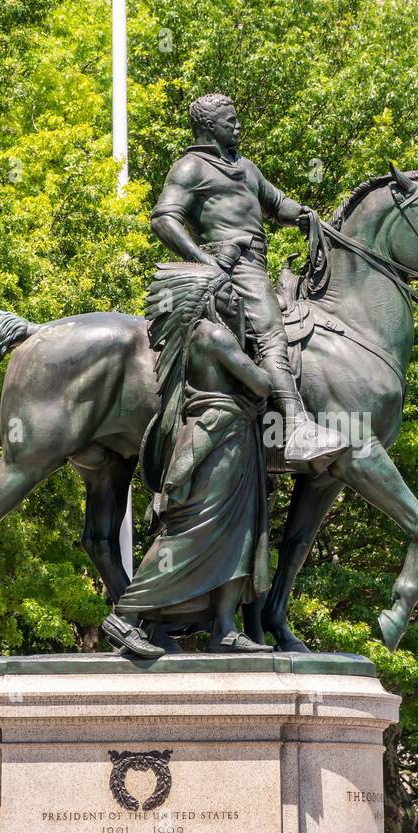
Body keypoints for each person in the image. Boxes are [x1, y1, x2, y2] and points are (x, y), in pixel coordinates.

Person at [150, 92, 347, 469]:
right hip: (233, 261)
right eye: (231, 120)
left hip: (256, 261)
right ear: (209, 126)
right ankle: (297, 427)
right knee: (272, 333)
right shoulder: (190, 167)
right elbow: (164, 218)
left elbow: (277, 204)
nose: (238, 125)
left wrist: (306, 216)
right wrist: (205, 259)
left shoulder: (246, 166)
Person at [103, 271, 274, 657]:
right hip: (214, 438)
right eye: (228, 295)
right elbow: (261, 384)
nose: (237, 302)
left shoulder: (200, 337)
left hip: (235, 440)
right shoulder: (213, 335)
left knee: (239, 534)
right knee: (189, 531)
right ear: (209, 299)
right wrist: (264, 360)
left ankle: (226, 628)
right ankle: (126, 616)